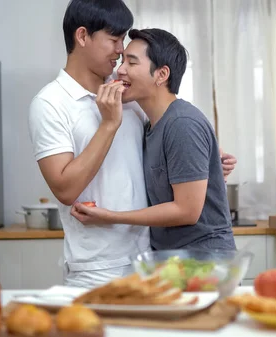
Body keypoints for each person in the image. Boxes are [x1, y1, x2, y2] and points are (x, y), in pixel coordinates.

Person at [28, 0, 237, 288]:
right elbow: (65, 189)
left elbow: (170, 135)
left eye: (126, 48)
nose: (120, 53)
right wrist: (109, 124)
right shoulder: (50, 103)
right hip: (97, 266)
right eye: (114, 40)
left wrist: (205, 161)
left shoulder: (129, 95)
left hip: (152, 261)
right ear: (82, 36)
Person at [70, 28, 237, 252]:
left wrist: (110, 216)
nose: (120, 70)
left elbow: (187, 210)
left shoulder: (182, 123)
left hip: (204, 259)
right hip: (173, 258)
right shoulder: (150, 125)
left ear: (161, 74)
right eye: (122, 61)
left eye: (131, 63)